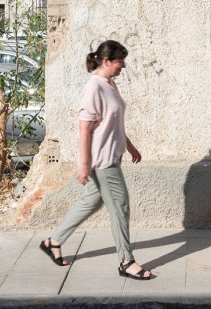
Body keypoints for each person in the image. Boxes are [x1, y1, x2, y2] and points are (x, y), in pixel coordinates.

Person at [40, 40, 154, 280]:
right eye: (120, 62)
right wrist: (83, 165)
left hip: (112, 155)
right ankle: (126, 261)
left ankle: (54, 241)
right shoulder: (94, 87)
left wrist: (130, 146)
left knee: (91, 202)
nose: (123, 67)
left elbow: (114, 122)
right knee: (120, 206)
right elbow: (85, 129)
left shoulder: (109, 83)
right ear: (106, 61)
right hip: (102, 162)